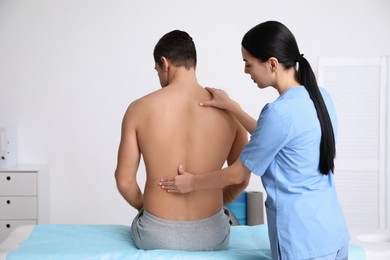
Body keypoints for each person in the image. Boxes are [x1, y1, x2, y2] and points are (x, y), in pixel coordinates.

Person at [159, 21, 350, 259]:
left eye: (248, 63)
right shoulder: (321, 97)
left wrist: (191, 183)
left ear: (271, 63)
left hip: (302, 240)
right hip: (334, 232)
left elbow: (237, 174)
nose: (246, 71)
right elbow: (278, 137)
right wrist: (233, 108)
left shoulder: (279, 112)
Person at [114, 30, 249, 251]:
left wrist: (146, 207)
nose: (158, 77)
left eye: (157, 70)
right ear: (193, 63)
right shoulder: (229, 110)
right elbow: (240, 179)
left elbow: (124, 181)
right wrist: (210, 207)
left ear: (165, 64)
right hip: (212, 235)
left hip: (155, 234)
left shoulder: (139, 108)